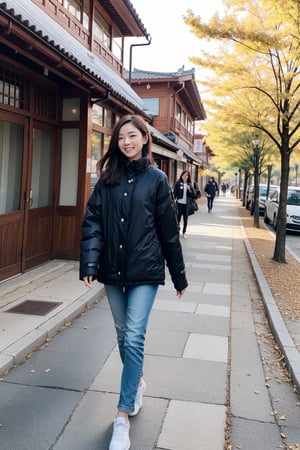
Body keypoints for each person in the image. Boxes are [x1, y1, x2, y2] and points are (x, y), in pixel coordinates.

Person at [79, 114, 187, 450]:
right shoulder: (107, 178)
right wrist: (91, 262)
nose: (127, 142)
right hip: (112, 268)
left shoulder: (156, 180)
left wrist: (178, 274)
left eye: (132, 136)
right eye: (121, 137)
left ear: (144, 139)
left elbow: (168, 232)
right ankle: (136, 382)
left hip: (145, 270)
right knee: (124, 333)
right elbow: (92, 221)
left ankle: (122, 415)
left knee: (135, 334)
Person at [173, 170, 196, 238]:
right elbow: (175, 193)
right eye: (184, 175)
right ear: (181, 176)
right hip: (179, 204)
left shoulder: (190, 184)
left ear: (188, 177)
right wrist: (174, 200)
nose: (185, 177)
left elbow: (194, 195)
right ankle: (177, 231)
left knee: (185, 219)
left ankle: (184, 232)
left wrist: (190, 190)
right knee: (178, 219)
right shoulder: (178, 183)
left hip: (186, 205)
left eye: (186, 175)